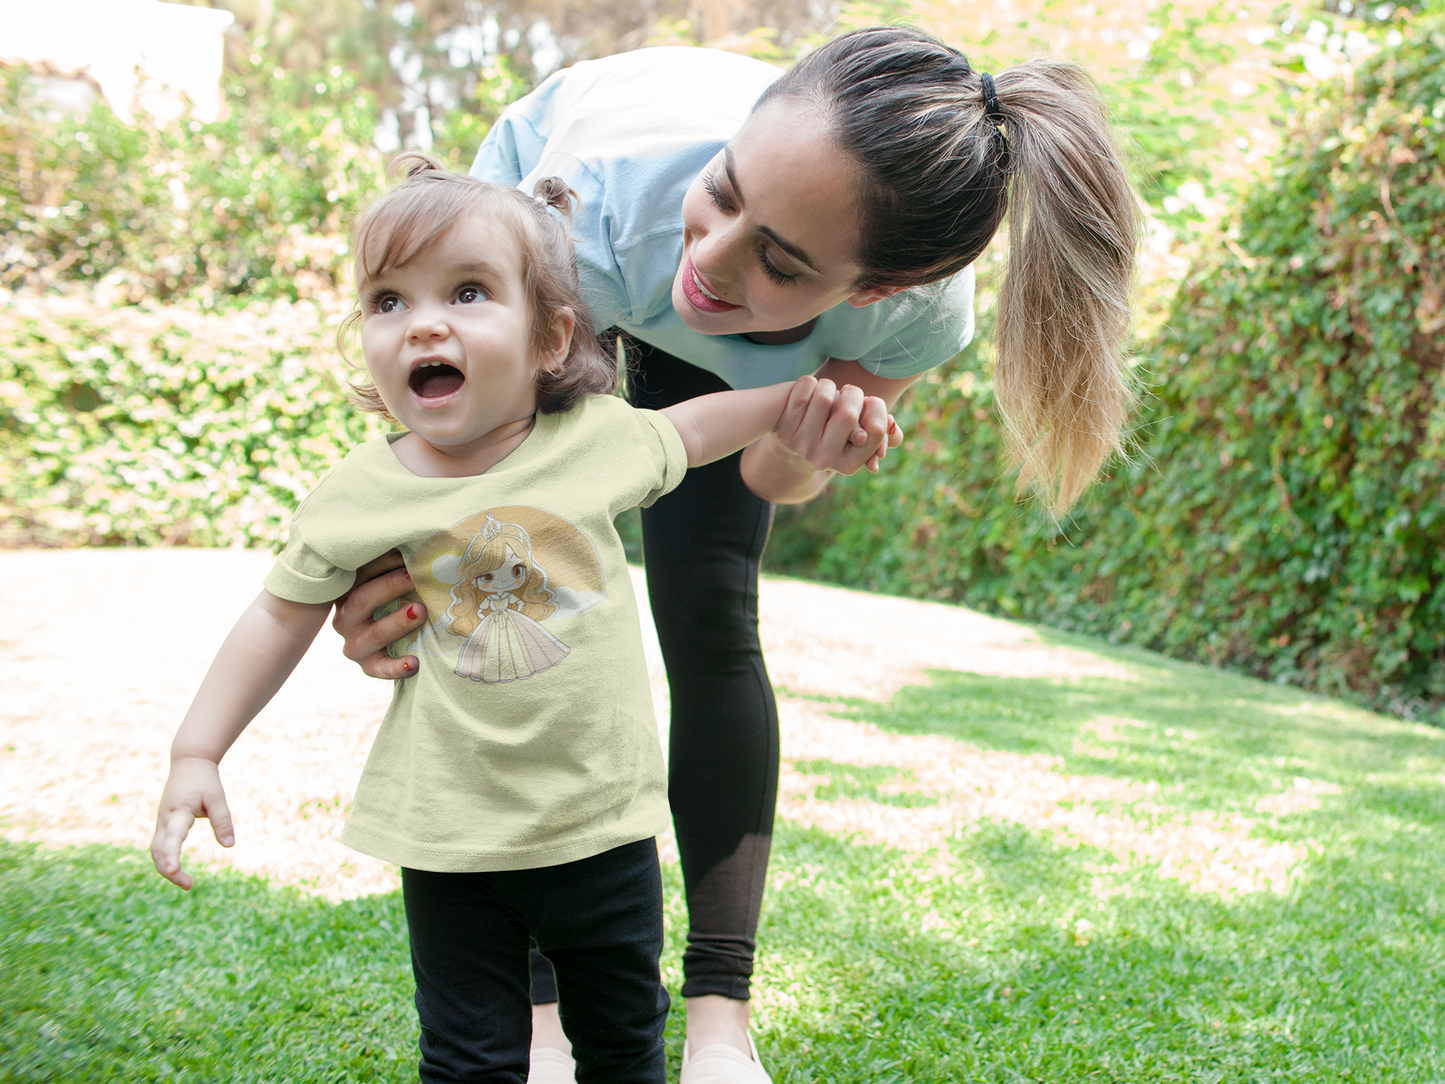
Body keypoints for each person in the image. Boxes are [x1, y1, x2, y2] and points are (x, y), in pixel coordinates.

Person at [329, 25, 1142, 1084]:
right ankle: (537, 1022)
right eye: (726, 192)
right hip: (579, 250)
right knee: (500, 600)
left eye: (781, 260)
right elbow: (441, 440)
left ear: (870, 289)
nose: (710, 260)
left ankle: (719, 1022)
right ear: (730, 145)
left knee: (709, 609)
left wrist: (810, 451)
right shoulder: (578, 208)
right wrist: (381, 577)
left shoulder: (911, 313)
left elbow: (771, 482)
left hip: (685, 301)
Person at [148, 156, 898, 1084]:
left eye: (467, 292)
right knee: (466, 1059)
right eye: (387, 301)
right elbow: (277, 615)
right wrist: (197, 750)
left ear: (548, 337)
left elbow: (704, 426)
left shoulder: (596, 441)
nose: (422, 321)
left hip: (601, 830)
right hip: (451, 841)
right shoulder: (359, 492)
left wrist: (807, 403)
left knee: (624, 1045)